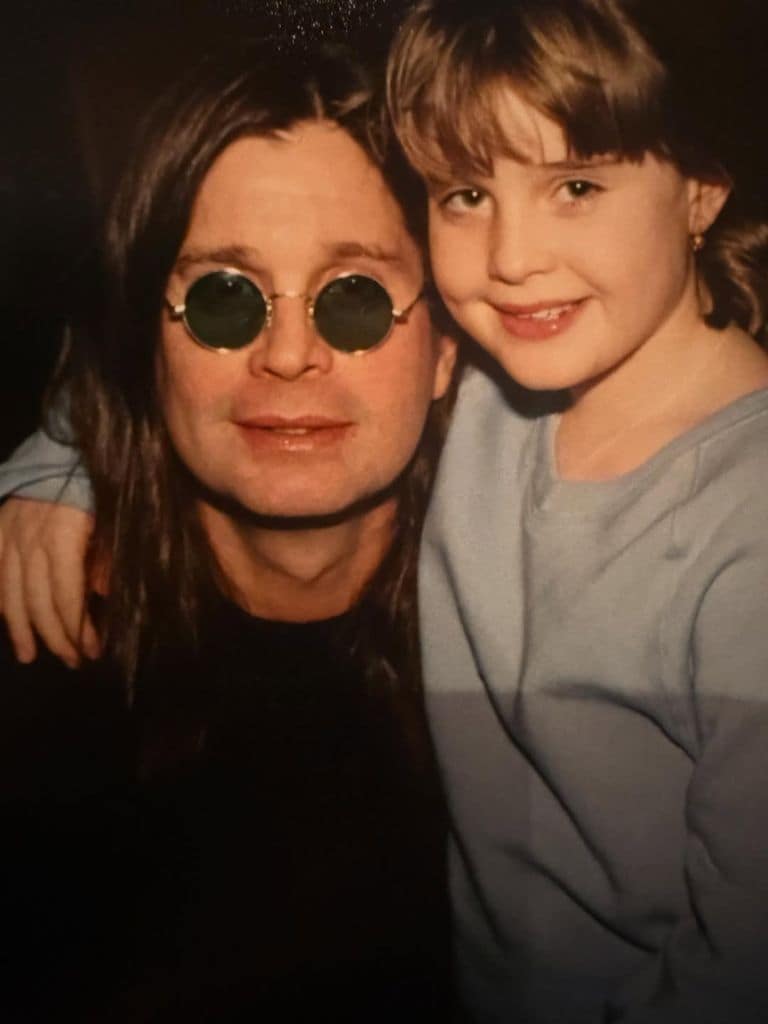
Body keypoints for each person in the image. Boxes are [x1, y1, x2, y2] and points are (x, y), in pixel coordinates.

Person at [0, 39, 458, 1022]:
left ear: (447, 350)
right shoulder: (34, 655)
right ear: (147, 337)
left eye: (355, 298)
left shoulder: (568, 648)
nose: (289, 353)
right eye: (223, 297)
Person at [385, 0, 768, 1021]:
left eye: (577, 185)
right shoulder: (485, 383)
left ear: (700, 191)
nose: (511, 257)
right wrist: (61, 462)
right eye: (465, 193)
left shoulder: (752, 528)